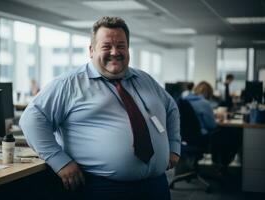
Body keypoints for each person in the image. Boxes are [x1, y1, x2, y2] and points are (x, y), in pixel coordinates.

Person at [19, 16, 181, 200]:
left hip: (155, 185)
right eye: (106, 46)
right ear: (91, 50)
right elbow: (32, 119)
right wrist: (60, 161)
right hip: (102, 188)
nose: (114, 52)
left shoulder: (145, 80)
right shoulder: (70, 83)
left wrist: (174, 146)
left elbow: (171, 108)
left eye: (121, 45)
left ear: (128, 49)